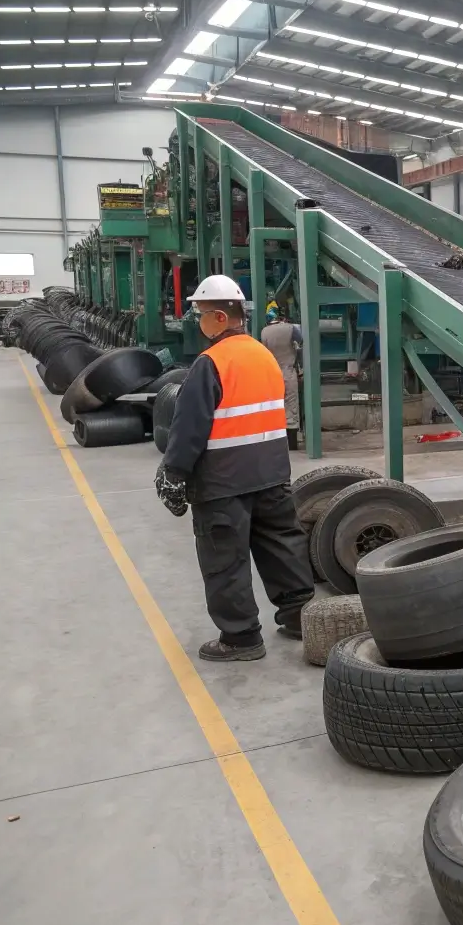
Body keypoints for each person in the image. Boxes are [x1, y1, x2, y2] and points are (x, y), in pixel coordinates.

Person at [154, 275, 315, 662]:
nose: (199, 321)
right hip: (272, 474)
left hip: (223, 481)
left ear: (222, 318)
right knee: (282, 547)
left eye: (202, 314)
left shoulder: (211, 363)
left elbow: (190, 426)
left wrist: (173, 473)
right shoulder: (263, 356)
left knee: (225, 559)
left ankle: (241, 638)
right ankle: (299, 619)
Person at [260, 301, 304, 450]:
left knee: (274, 405)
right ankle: (292, 443)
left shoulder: (264, 331)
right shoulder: (291, 328)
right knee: (291, 405)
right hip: (288, 371)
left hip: (271, 373)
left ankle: (276, 441)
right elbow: (302, 344)